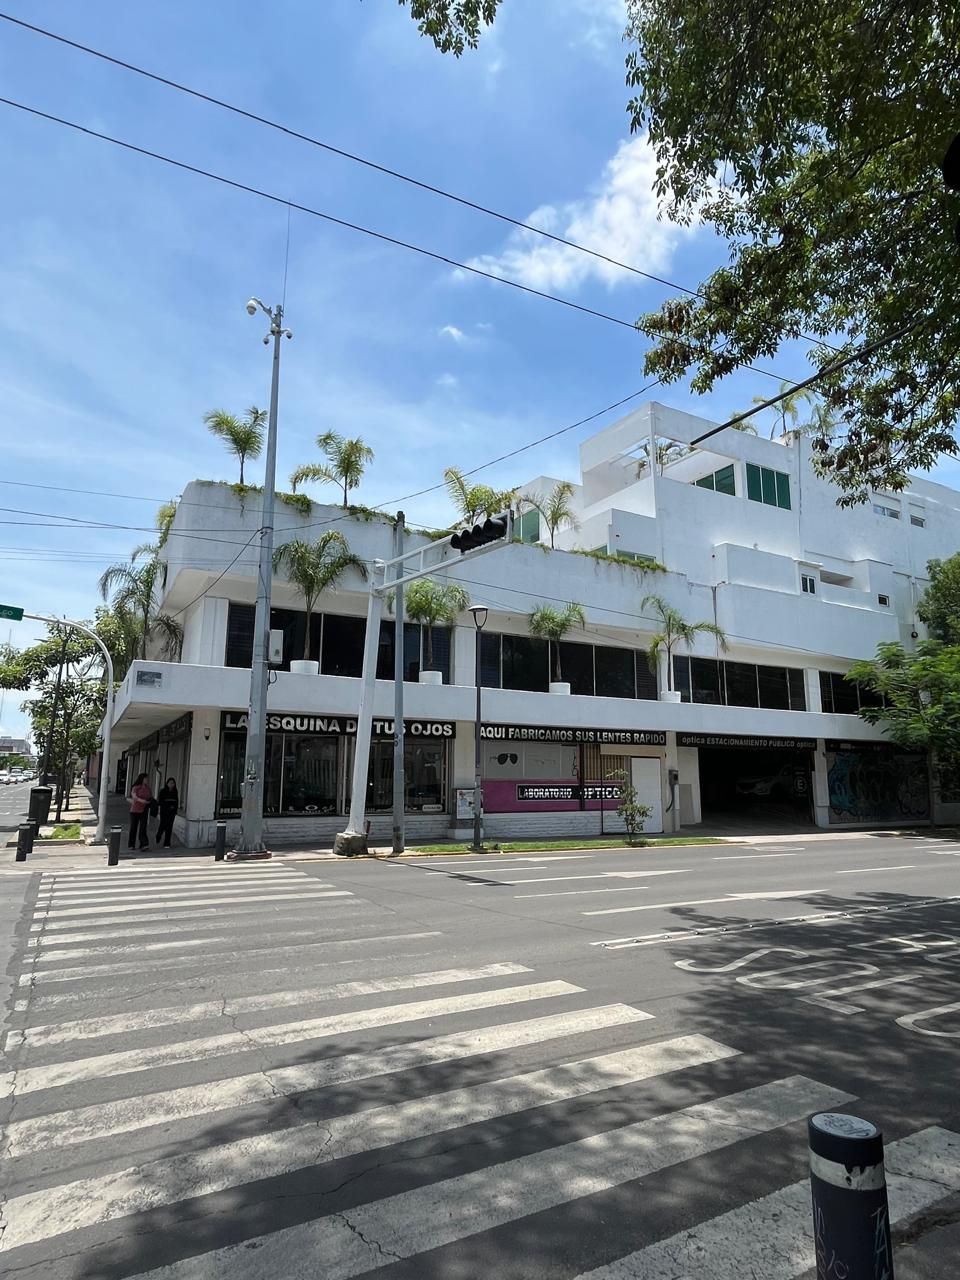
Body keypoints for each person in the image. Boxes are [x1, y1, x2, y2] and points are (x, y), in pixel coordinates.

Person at [128, 773, 152, 851]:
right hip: (135, 810)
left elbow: (150, 796)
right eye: (145, 779)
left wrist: (149, 802)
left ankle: (144, 844)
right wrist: (142, 801)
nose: (147, 780)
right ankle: (131, 844)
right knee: (133, 827)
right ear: (142, 779)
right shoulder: (136, 787)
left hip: (144, 810)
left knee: (143, 827)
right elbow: (134, 796)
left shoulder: (148, 788)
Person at [156, 777, 179, 849]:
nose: (171, 785)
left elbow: (176, 801)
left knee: (169, 827)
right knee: (163, 825)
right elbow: (160, 801)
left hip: (172, 812)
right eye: (170, 783)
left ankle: (167, 843)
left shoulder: (175, 791)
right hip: (164, 811)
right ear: (167, 783)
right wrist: (166, 807)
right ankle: (158, 835)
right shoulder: (163, 791)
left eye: (173, 783)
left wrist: (175, 810)